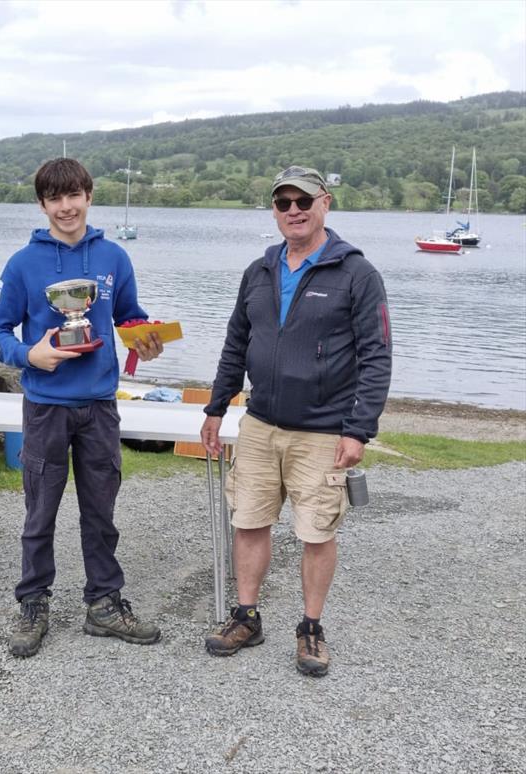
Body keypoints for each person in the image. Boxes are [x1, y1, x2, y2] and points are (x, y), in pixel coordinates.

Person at [200, 165, 392, 676]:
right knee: (248, 520)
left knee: (315, 532)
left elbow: (377, 356)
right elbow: (235, 344)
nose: (294, 211)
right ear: (275, 212)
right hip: (260, 424)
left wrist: (359, 428)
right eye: (283, 203)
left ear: (325, 203)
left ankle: (310, 627)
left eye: (303, 201)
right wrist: (216, 408)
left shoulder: (357, 273)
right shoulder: (259, 271)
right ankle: (246, 616)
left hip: (324, 430)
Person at [0, 157, 164, 658]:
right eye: (54, 198)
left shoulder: (113, 258)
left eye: (74, 196)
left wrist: (144, 340)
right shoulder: (23, 264)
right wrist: (29, 355)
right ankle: (33, 601)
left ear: (89, 195)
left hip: (100, 406)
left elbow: (130, 317)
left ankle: (104, 603)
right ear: (42, 204)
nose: (66, 207)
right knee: (39, 512)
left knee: (101, 512)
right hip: (45, 407)